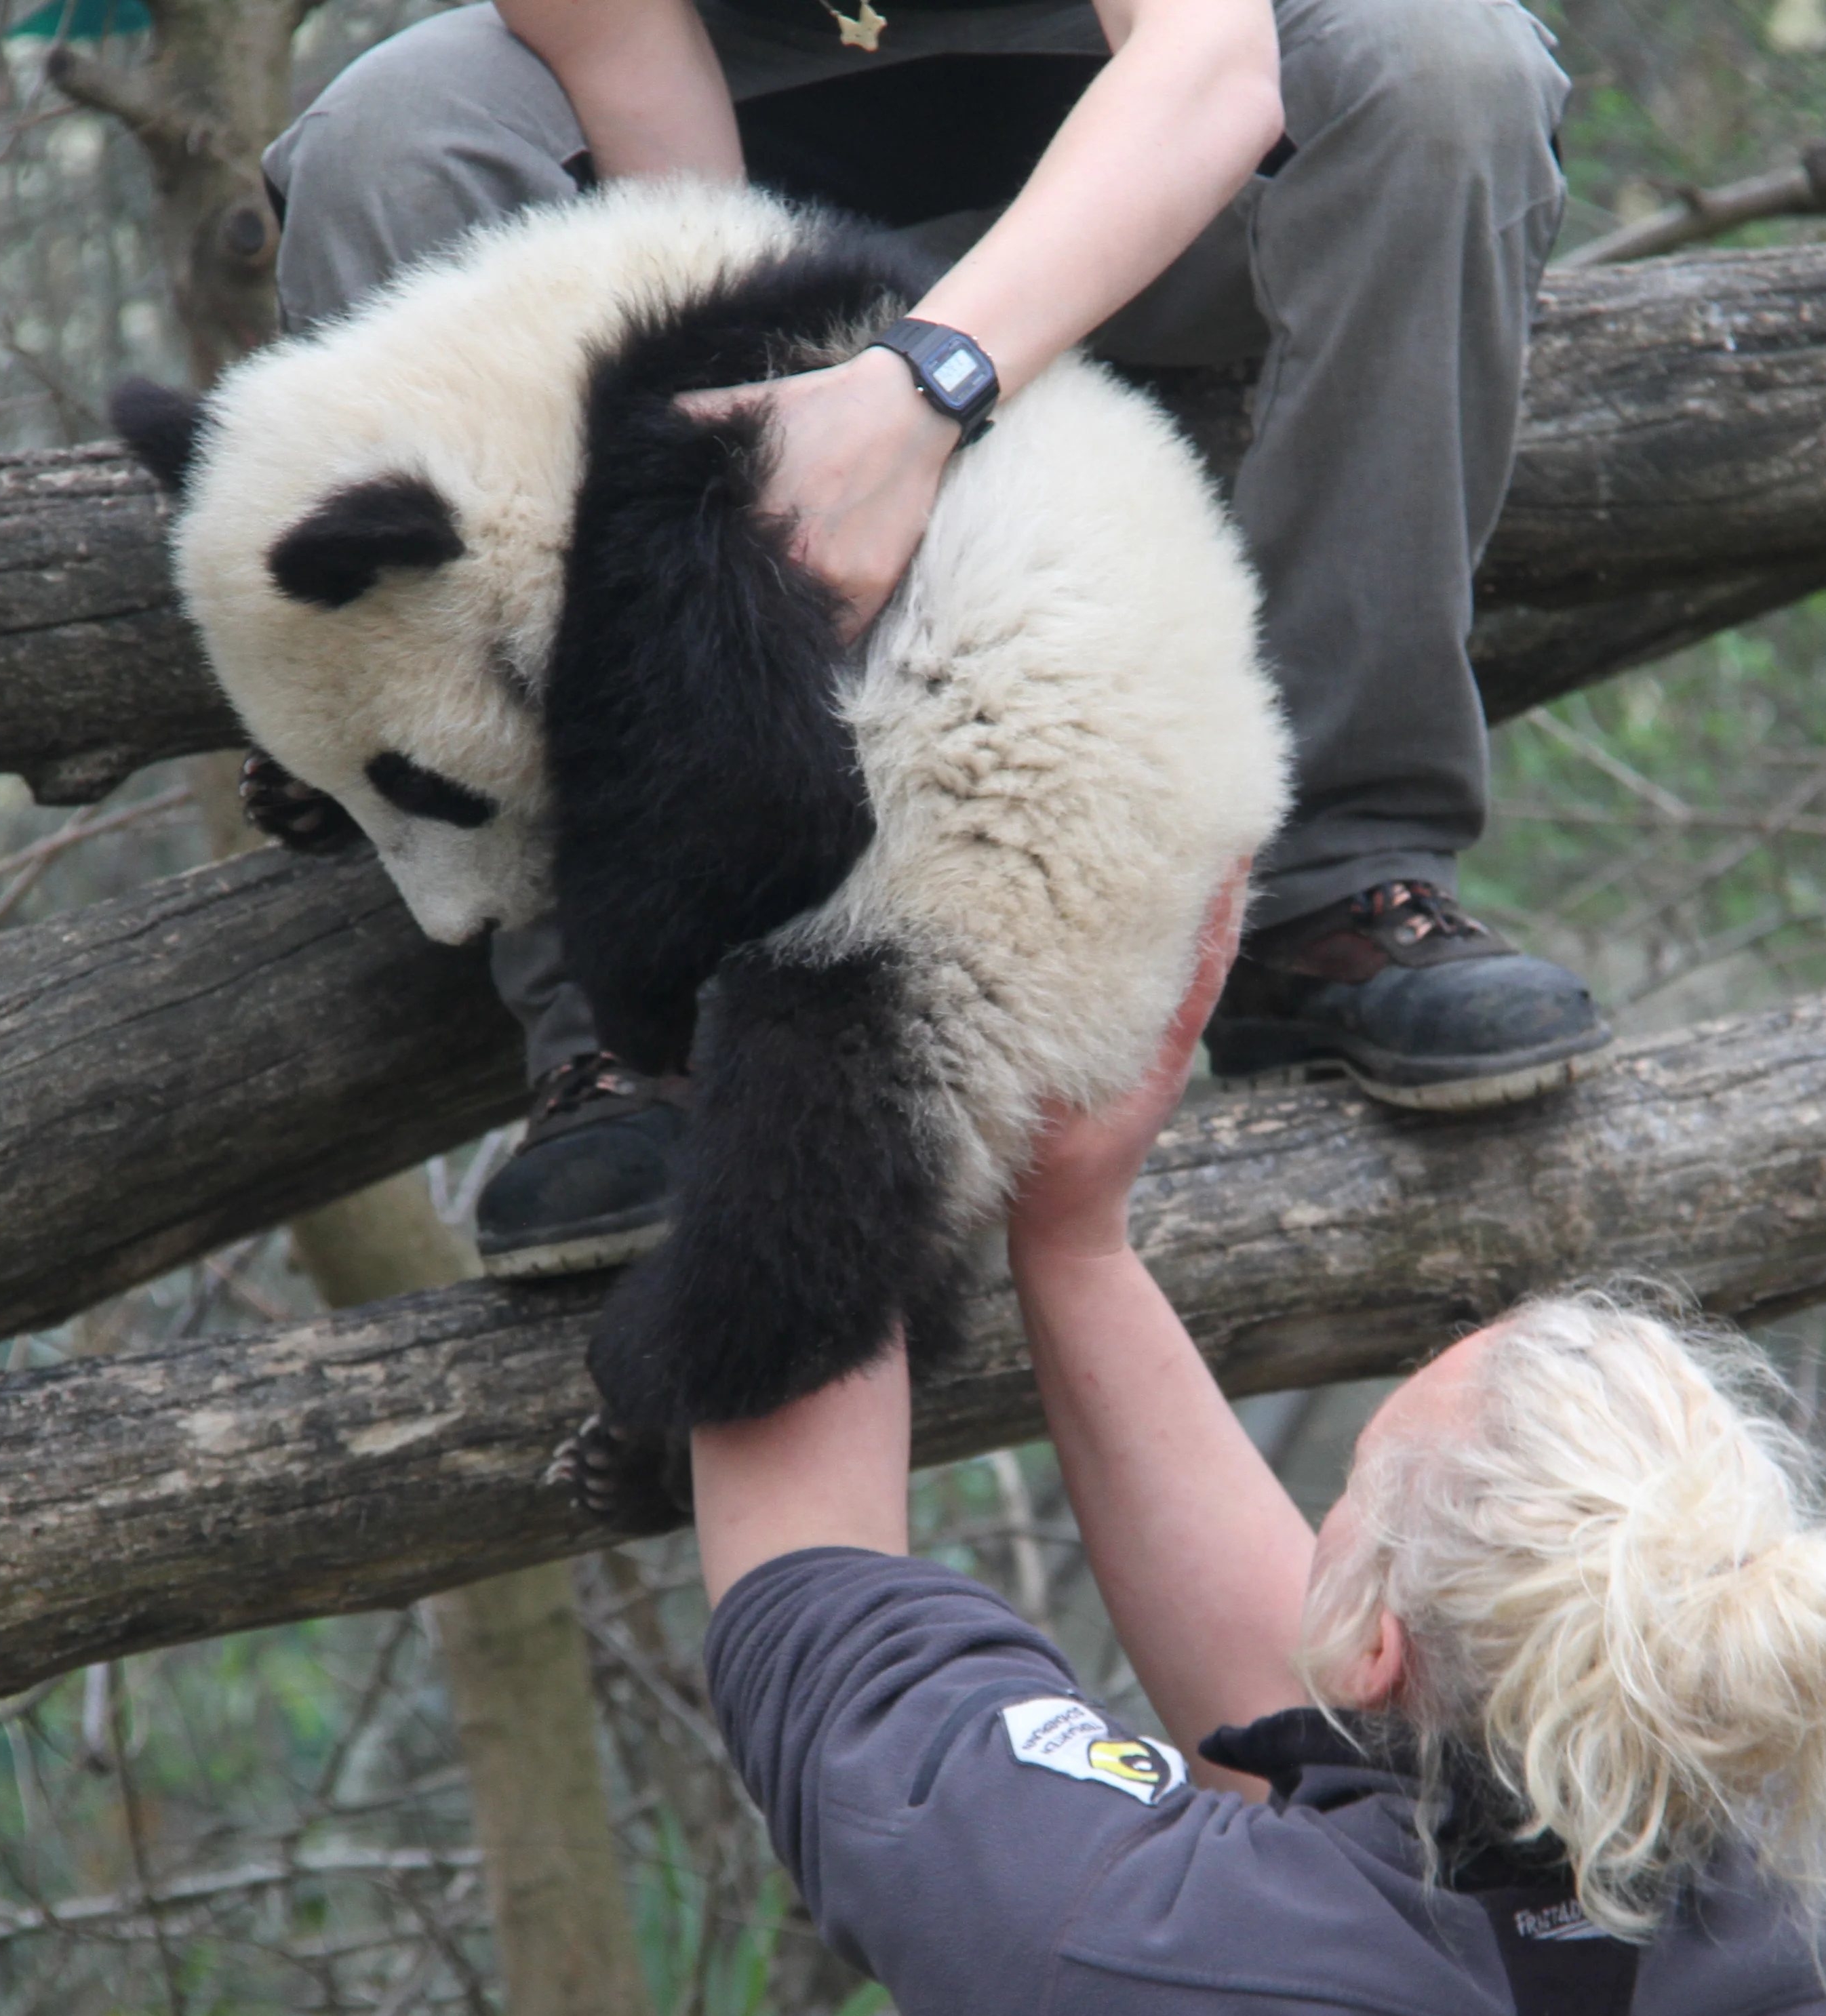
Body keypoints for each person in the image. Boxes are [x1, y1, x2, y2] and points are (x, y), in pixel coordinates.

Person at [686, 883, 1826, 2016]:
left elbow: (813, 1594)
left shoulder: (1135, 1954)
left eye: (1350, 1497)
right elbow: (1345, 1790)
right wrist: (1074, 1237)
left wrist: (806, 1046)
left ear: (1368, 1645)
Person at [263, 0, 1617, 1279]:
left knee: (1440, 63)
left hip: (1154, 153)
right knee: (394, 146)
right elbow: (657, 141)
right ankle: (617, 1028)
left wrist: (928, 390)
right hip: (770, 143)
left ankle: (1336, 876)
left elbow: (1209, 63)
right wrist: (772, 440)